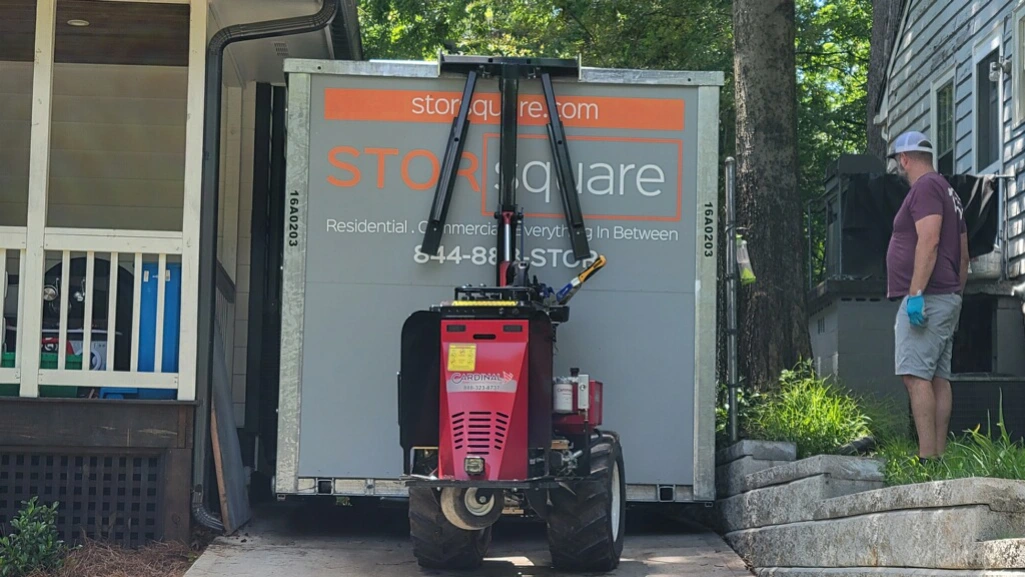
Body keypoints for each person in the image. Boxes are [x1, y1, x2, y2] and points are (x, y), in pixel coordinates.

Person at [885, 130, 969, 463]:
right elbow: (964, 254)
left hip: (928, 297)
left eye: (899, 163)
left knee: (916, 375)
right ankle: (937, 457)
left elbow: (929, 239)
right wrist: (957, 295)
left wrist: (916, 293)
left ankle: (926, 459)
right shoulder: (949, 192)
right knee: (937, 377)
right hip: (946, 297)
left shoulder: (925, 187)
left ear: (904, 159)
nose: (900, 169)